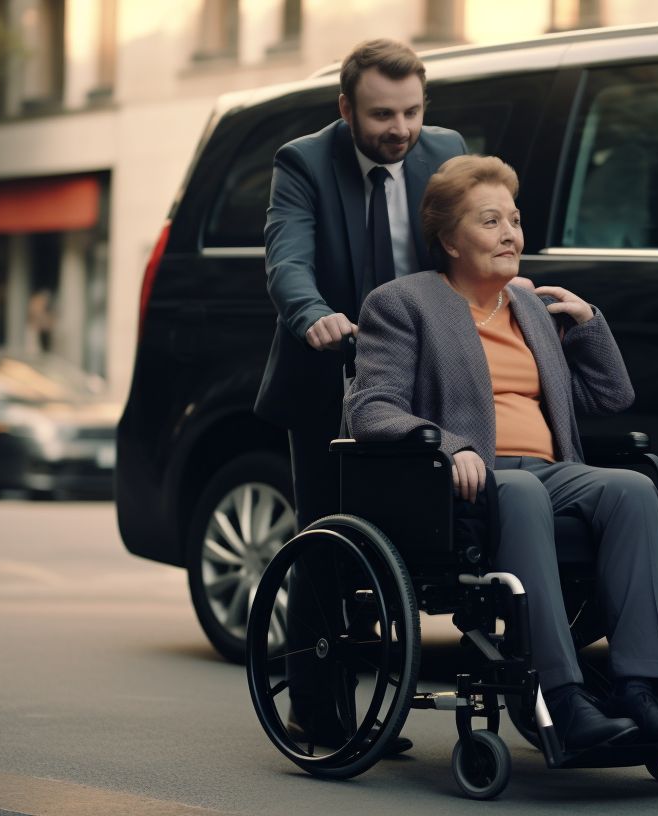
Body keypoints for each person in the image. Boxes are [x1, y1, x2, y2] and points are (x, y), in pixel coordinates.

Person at [346, 155, 658, 751]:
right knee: (520, 490)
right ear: (448, 239)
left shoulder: (530, 306)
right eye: (490, 222)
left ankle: (641, 690)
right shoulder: (403, 303)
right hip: (464, 480)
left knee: (632, 488)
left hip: (549, 472)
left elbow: (611, 396)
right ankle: (560, 697)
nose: (510, 233)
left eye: (514, 219)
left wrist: (589, 325)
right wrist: (451, 446)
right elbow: (371, 409)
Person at [256, 38, 467, 755]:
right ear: (346, 108)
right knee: (327, 540)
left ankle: (387, 685)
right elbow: (287, 256)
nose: (400, 130)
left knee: (416, 540)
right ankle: (315, 709)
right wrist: (313, 314)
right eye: (382, 115)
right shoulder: (305, 161)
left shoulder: (446, 152)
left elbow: (472, 240)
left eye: (411, 112)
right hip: (329, 381)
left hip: (421, 380)